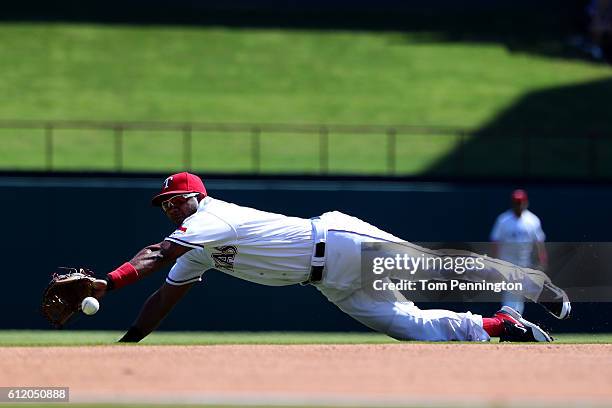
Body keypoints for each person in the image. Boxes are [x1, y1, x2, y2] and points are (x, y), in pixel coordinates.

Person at [90, 173, 568, 343]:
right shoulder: (196, 246)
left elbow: (156, 253)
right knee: (414, 328)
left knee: (436, 267)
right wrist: (129, 342)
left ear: (198, 197)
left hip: (340, 243)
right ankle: (503, 325)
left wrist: (109, 284)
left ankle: (525, 281)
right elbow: (165, 295)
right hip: (328, 281)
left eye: (177, 199)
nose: (171, 206)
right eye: (165, 204)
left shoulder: (212, 218)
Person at [490, 189, 564, 316]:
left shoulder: (532, 220)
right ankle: (508, 322)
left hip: (525, 263)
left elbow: (539, 243)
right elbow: (495, 241)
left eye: (520, 202)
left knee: (519, 295)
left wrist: (542, 261)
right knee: (511, 294)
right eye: (516, 202)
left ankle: (513, 323)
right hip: (507, 263)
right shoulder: (503, 220)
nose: (518, 205)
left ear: (525, 202)